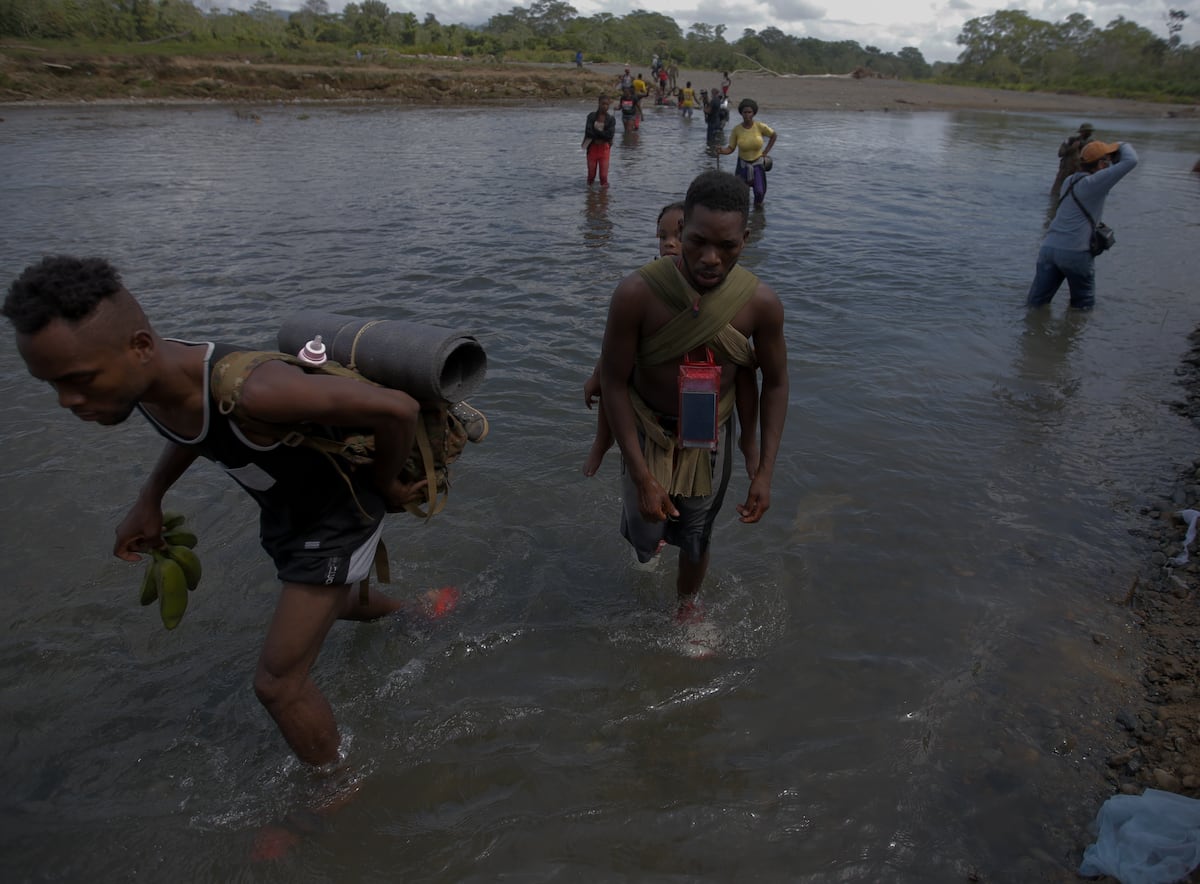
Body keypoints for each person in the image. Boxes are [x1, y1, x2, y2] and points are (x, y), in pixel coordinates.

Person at [2, 255, 476, 766]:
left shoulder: (259, 392)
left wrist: (385, 485)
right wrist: (150, 497)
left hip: (339, 515)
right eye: (51, 384)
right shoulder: (143, 384)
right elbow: (194, 431)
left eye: (78, 379)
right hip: (288, 512)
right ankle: (419, 612)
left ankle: (337, 790)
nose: (67, 400)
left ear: (139, 347)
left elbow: (398, 410)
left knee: (277, 685)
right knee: (328, 605)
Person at [598, 171, 788, 622]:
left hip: (709, 434)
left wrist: (763, 471)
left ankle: (686, 608)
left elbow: (776, 382)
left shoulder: (760, 304)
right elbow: (612, 381)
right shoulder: (636, 294)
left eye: (727, 247)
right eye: (698, 241)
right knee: (646, 538)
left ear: (746, 238)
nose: (710, 259)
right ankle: (649, 542)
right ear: (681, 231)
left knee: (698, 533)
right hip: (646, 429)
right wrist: (643, 476)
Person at [1027, 140, 1138, 311]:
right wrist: (1122, 145)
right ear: (1101, 164)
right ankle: (1075, 336)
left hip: (1049, 249)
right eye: (1106, 162)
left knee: (1036, 304)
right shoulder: (1095, 183)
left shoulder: (1069, 181)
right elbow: (1131, 161)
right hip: (1076, 253)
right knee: (1082, 307)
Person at [719, 97, 776, 206]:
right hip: (743, 166)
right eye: (745, 112)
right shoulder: (737, 130)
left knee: (759, 193)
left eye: (749, 112)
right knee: (740, 196)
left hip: (758, 165)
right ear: (741, 113)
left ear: (753, 113)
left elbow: (773, 135)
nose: (747, 115)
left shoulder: (760, 127)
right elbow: (730, 148)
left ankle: (758, 217)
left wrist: (766, 152)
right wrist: (721, 150)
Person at [1050, 123, 1094, 198]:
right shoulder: (1070, 140)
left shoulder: (1092, 144)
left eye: (1089, 132)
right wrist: (1072, 148)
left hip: (1079, 172)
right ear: (1081, 132)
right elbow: (1060, 153)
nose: (1088, 134)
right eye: (1086, 131)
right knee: (1056, 194)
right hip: (1065, 171)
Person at [583, 94, 616, 186]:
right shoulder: (591, 116)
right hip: (592, 149)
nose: (605, 106)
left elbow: (610, 135)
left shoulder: (611, 119)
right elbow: (588, 132)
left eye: (607, 104)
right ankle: (590, 196)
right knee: (591, 176)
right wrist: (603, 134)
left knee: (603, 177)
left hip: (604, 149)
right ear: (598, 104)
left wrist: (596, 132)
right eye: (603, 104)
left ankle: (603, 198)